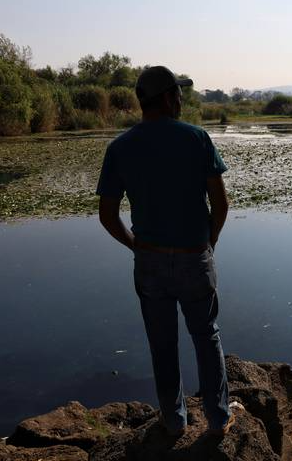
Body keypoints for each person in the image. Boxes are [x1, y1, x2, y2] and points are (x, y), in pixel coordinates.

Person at [96, 66, 233, 437]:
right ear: (170, 98)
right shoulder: (197, 138)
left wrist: (135, 246)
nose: (182, 100)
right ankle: (218, 420)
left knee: (162, 344)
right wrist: (209, 242)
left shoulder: (120, 147)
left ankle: (174, 421)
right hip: (194, 256)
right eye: (180, 94)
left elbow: (107, 215)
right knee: (206, 336)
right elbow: (220, 204)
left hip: (150, 261)